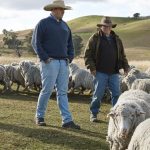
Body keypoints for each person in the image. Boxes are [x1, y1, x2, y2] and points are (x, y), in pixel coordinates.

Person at [31, 0, 80, 129]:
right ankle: (39, 116)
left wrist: (69, 57)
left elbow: (70, 44)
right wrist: (45, 58)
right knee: (47, 90)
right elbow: (36, 42)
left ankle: (67, 121)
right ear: (54, 9)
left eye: (64, 10)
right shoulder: (43, 23)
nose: (63, 12)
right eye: (61, 9)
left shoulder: (65, 26)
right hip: (49, 62)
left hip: (63, 63)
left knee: (63, 92)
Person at [84, 16, 130, 122]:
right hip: (100, 71)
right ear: (101, 26)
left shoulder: (117, 39)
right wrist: (92, 68)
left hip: (114, 72)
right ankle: (94, 114)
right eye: (104, 26)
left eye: (108, 26)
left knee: (116, 94)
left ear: (111, 27)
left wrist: (126, 67)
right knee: (98, 94)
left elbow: (122, 55)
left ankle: (116, 114)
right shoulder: (95, 38)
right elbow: (88, 54)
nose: (106, 28)